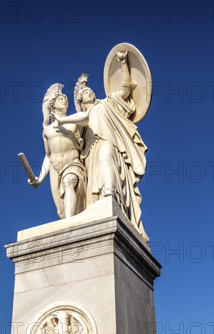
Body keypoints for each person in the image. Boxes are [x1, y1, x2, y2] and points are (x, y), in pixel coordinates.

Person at [52, 52, 148, 240]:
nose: (90, 92)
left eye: (90, 91)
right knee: (92, 188)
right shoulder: (81, 126)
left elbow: (126, 89)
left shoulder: (107, 103)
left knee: (106, 161)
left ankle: (109, 196)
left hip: (108, 144)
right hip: (89, 155)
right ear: (79, 101)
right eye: (85, 93)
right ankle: (99, 203)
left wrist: (123, 64)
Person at [30, 84, 86, 219]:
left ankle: (69, 224)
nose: (64, 101)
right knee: (61, 211)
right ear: (52, 105)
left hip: (73, 163)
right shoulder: (47, 130)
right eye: (60, 99)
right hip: (55, 169)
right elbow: (48, 156)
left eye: (65, 100)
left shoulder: (74, 121)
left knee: (69, 183)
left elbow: (87, 117)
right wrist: (40, 179)